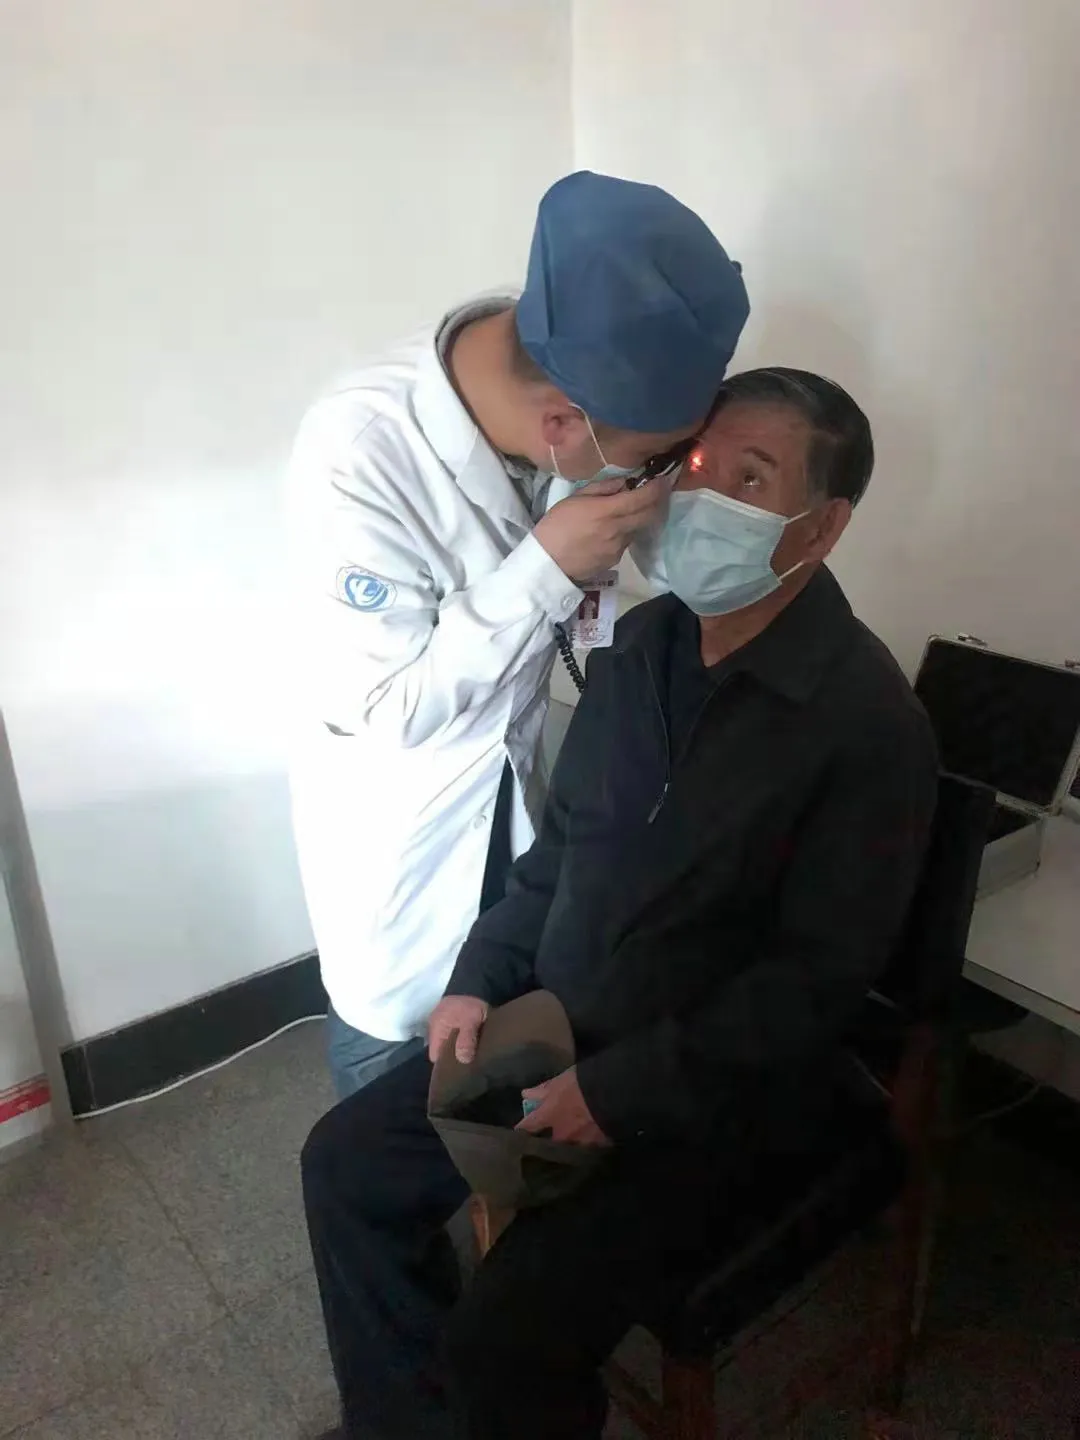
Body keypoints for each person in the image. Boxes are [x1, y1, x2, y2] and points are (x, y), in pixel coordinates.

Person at [300, 367, 940, 1440]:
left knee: (508, 1335)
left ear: (823, 527)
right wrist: (480, 977)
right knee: (346, 1168)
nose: (704, 495)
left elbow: (815, 983)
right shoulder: (641, 647)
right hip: (559, 1025)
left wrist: (621, 1087)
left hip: (709, 1090)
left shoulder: (867, 724)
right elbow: (560, 852)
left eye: (751, 478)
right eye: (697, 464)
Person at [285, 171, 750, 1098]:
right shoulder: (360, 456)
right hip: (405, 850)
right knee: (389, 1101)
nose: (658, 477)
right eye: (655, 458)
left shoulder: (558, 363)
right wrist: (543, 567)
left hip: (518, 808)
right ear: (561, 426)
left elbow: (626, 577)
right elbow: (386, 710)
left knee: (502, 1057)